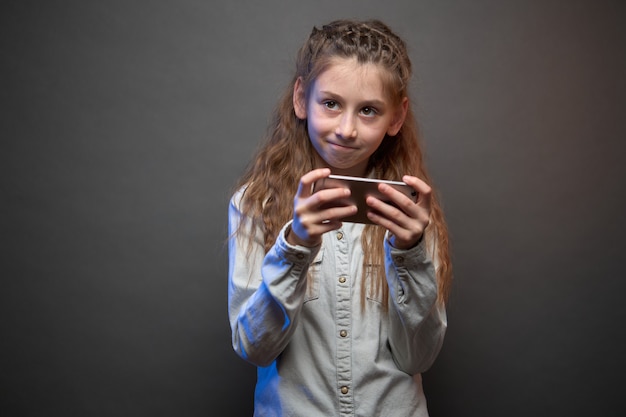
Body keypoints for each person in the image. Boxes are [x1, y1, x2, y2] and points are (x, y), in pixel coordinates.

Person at [227, 18, 452, 417]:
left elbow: (417, 358)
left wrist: (410, 253)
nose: (346, 129)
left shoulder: (410, 212)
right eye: (330, 103)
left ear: (396, 119)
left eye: (368, 110)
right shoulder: (255, 203)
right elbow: (254, 348)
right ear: (301, 98)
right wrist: (295, 247)